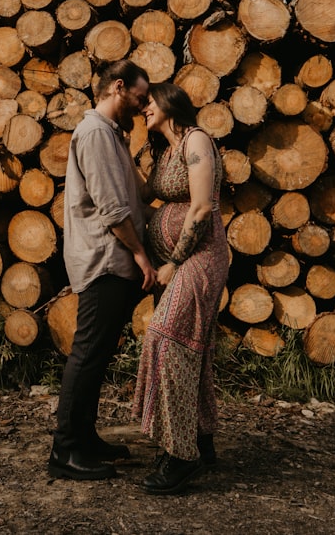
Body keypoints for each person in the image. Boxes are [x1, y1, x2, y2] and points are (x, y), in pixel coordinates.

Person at [48, 60, 158, 481]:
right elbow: (112, 208)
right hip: (105, 259)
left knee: (98, 354)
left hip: (113, 258)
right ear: (118, 87)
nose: (144, 104)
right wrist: (141, 255)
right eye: (140, 96)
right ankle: (65, 451)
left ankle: (85, 438)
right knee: (88, 352)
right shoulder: (94, 133)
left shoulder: (111, 134)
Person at [132, 82, 229, 495]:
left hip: (199, 257)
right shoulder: (166, 150)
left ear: (170, 102)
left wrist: (174, 260)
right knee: (192, 347)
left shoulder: (197, 140)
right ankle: (200, 440)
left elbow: (203, 205)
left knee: (165, 340)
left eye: (148, 103)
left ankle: (180, 457)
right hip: (175, 261)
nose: (143, 110)